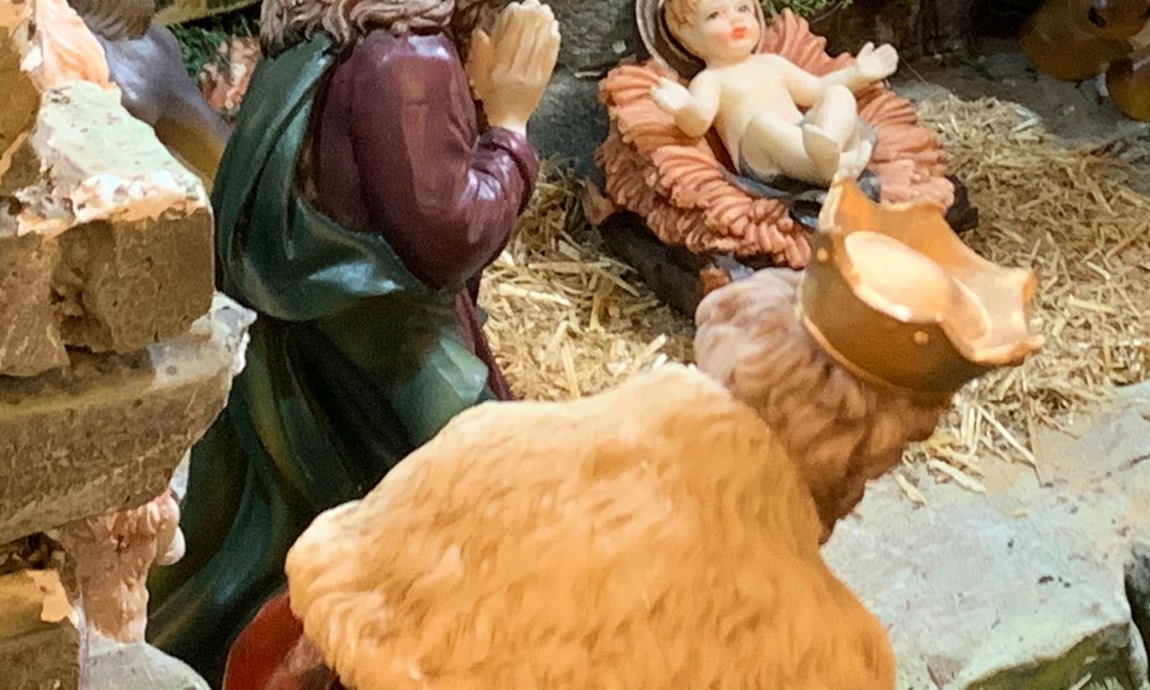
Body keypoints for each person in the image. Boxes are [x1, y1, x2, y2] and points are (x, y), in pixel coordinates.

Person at [219, 181, 1041, 690]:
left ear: (739, 333)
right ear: (868, 448)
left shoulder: (493, 444)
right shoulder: (827, 652)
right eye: (894, 452)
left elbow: (294, 629)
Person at [148, 0, 578, 680]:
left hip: (313, 334)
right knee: (489, 501)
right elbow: (447, 238)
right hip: (384, 350)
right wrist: (511, 122)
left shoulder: (335, 0)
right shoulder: (405, 61)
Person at [641, 0, 898, 185]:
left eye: (743, 7)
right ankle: (826, 169)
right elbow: (698, 124)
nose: (735, 18)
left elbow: (817, 89)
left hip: (804, 134)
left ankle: (832, 151)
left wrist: (857, 73)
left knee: (838, 94)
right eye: (714, 14)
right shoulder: (710, 79)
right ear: (687, 35)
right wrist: (684, 108)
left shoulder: (770, 62)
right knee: (763, 123)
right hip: (762, 157)